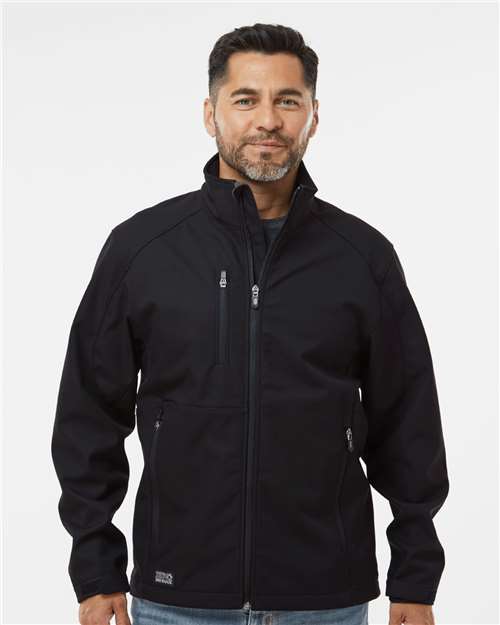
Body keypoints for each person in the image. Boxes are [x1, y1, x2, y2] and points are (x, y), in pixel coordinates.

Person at [51, 22, 449, 625]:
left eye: (287, 100)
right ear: (210, 114)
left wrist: (414, 579)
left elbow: (409, 421)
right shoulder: (142, 249)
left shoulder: (362, 257)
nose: (268, 120)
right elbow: (88, 413)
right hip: (177, 597)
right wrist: (95, 565)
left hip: (324, 599)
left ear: (313, 116)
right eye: (245, 100)